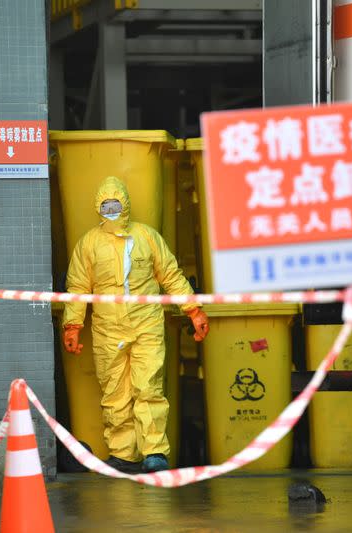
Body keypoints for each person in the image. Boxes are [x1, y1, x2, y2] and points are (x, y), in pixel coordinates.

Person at [62, 176, 209, 474]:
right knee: (115, 392)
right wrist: (72, 326)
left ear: (126, 204)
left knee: (149, 388)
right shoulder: (89, 244)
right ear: (97, 207)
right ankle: (123, 455)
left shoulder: (147, 237)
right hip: (107, 329)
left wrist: (193, 309)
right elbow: (78, 287)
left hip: (146, 326)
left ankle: (154, 452)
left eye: (116, 204)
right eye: (106, 205)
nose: (112, 210)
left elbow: (170, 275)